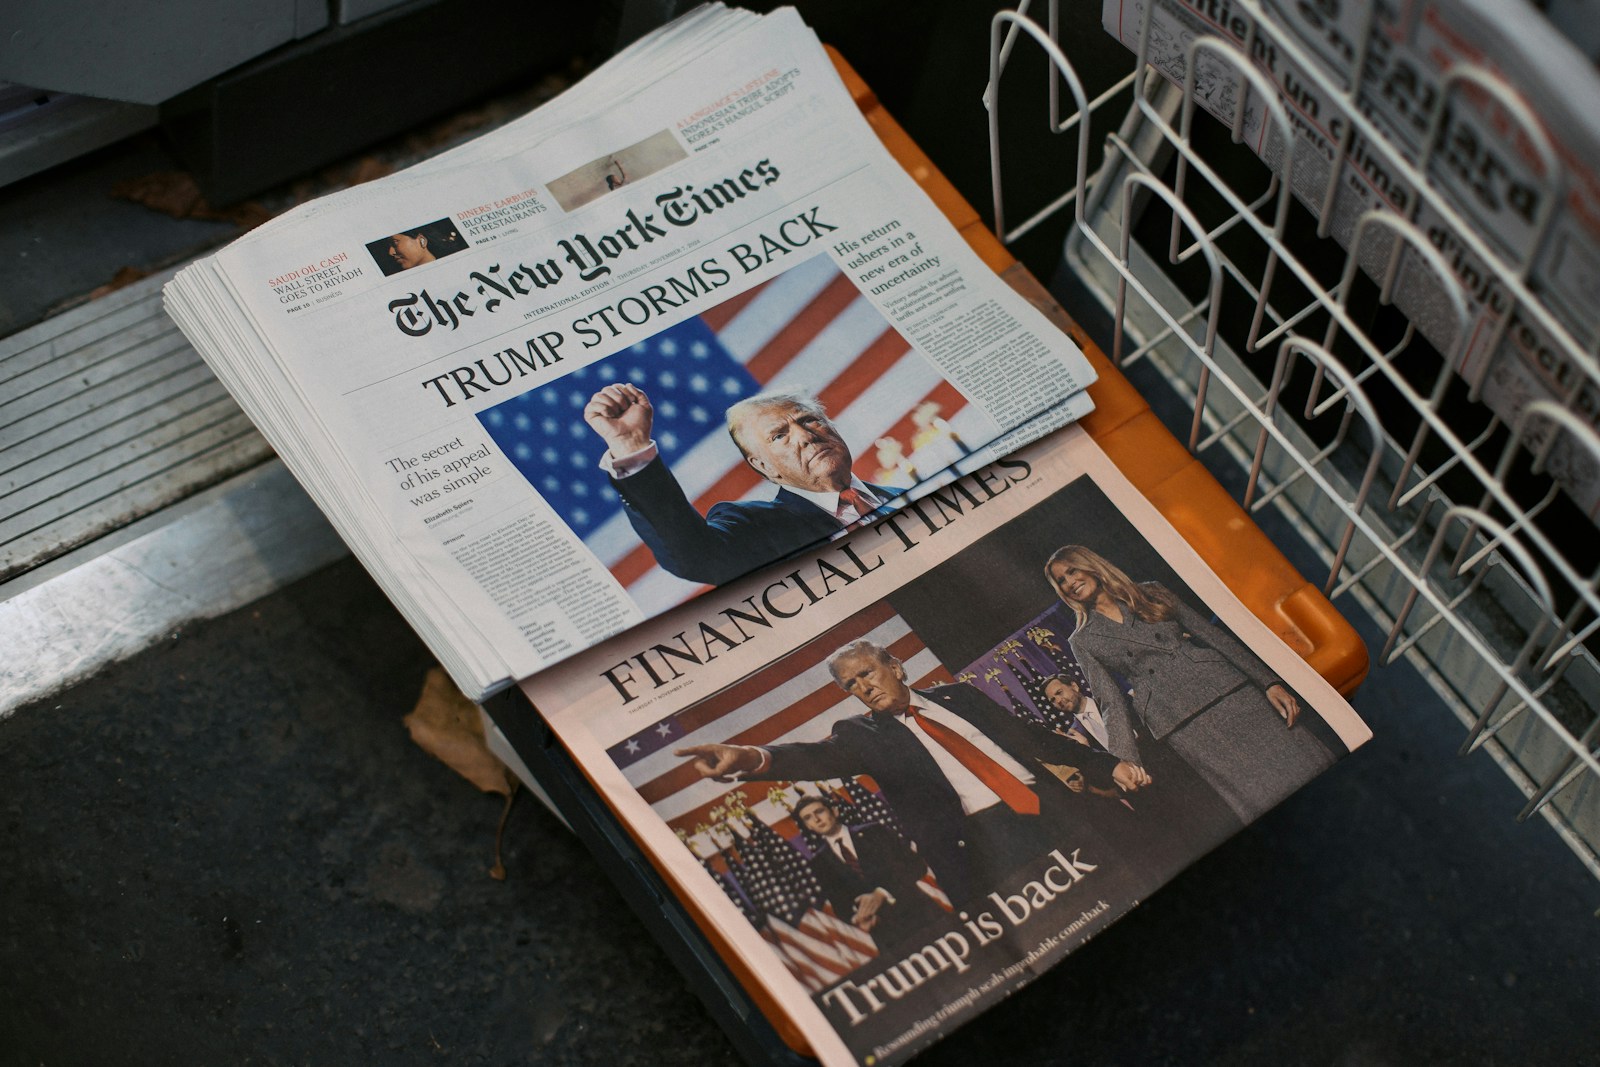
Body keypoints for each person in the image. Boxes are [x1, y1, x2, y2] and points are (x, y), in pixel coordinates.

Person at [675, 640, 1152, 910]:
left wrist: (1110, 763)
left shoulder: (959, 698)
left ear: (896, 667)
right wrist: (749, 759)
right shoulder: (860, 734)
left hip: (1053, 809)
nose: (863, 688)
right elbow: (816, 760)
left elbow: (1038, 741)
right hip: (986, 841)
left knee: (1130, 889)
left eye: (867, 674)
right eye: (852, 685)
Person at [1045, 544, 1335, 824]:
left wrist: (1268, 681)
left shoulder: (1150, 591)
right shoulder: (1082, 640)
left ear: (1091, 567)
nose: (1070, 582)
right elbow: (1110, 702)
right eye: (1061, 581)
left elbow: (1213, 636)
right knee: (1259, 794)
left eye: (1072, 571)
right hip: (1179, 720)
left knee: (1301, 762)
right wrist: (1125, 760)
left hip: (1227, 690)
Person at [584, 386, 903, 585]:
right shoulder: (755, 526)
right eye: (779, 435)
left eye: (808, 420)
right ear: (764, 467)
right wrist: (631, 447)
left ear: (833, 427)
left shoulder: (903, 496)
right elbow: (696, 556)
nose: (805, 436)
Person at [794, 795, 945, 948]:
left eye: (819, 811)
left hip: (922, 914)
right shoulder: (819, 863)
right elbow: (840, 905)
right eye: (808, 818)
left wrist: (882, 893)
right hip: (886, 935)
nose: (816, 819)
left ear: (834, 811)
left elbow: (916, 865)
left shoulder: (874, 831)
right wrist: (860, 916)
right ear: (808, 826)